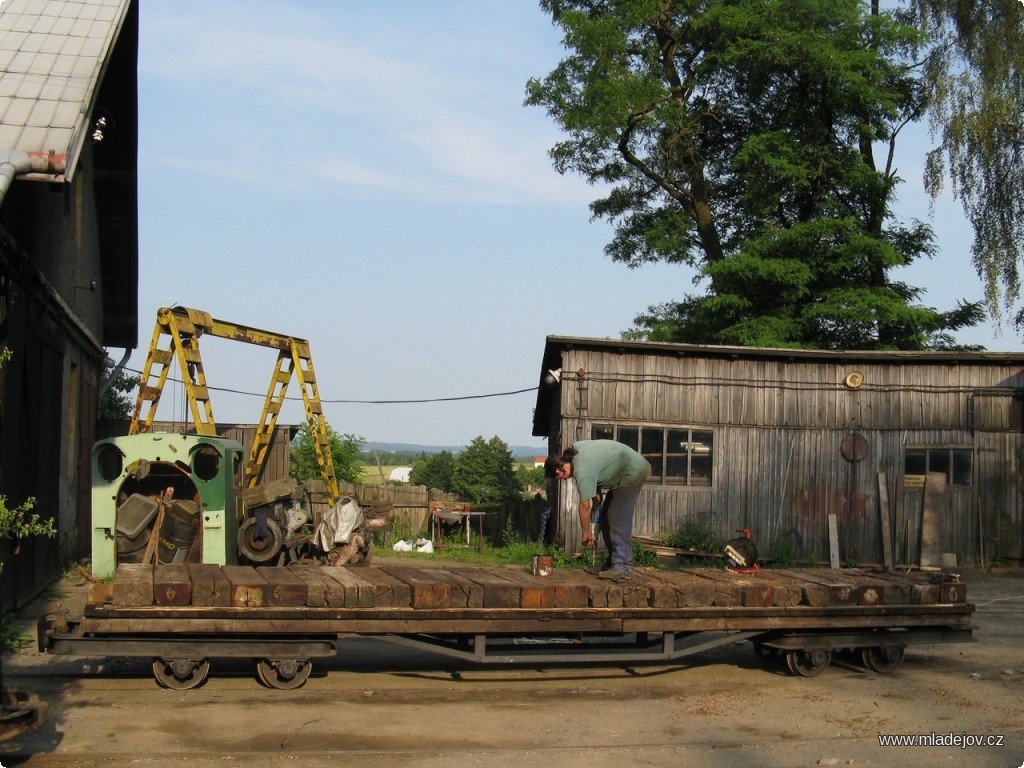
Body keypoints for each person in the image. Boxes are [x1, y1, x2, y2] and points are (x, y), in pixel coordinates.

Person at [544, 440, 651, 581]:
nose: (563, 480)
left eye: (559, 478)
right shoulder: (574, 451)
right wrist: (597, 494)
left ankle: (623, 567)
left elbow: (585, 506)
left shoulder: (581, 470)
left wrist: (586, 533)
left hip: (633, 471)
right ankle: (613, 564)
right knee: (606, 516)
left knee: (616, 518)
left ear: (559, 470)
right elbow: (599, 462)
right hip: (625, 469)